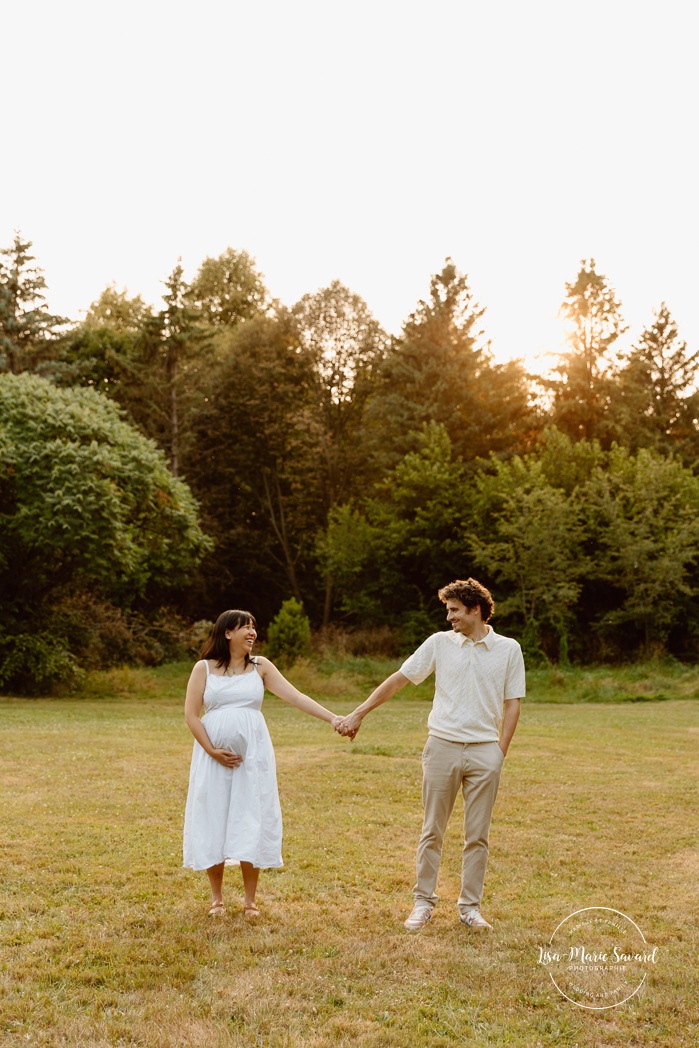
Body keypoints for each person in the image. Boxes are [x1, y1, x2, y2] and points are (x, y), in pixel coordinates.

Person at [335, 578, 524, 932]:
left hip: (485, 753)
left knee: (477, 835)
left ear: (475, 609)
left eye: (454, 610)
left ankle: (470, 908)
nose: (449, 616)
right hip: (442, 747)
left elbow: (512, 703)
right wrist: (359, 712)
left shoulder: (509, 649)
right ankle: (423, 903)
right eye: (448, 610)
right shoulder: (439, 643)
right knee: (432, 830)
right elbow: (399, 680)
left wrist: (500, 751)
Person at [183, 609, 343, 917]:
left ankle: (250, 901)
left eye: (254, 626)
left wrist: (333, 718)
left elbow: (295, 697)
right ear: (227, 633)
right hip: (212, 758)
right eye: (245, 627)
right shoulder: (203, 668)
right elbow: (191, 714)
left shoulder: (261, 667)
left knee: (249, 817)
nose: (252, 631)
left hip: (251, 759)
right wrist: (212, 750)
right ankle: (216, 899)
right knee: (213, 816)